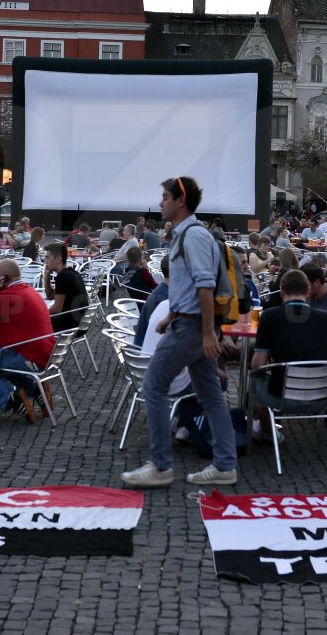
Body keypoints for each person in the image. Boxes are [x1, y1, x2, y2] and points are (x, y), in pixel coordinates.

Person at [121, 176, 237, 488]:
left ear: (180, 201)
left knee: (154, 386)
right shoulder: (187, 235)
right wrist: (170, 314)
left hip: (192, 327)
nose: (160, 203)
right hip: (190, 322)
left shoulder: (193, 236)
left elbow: (205, 284)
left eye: (164, 197)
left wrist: (209, 333)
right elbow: (188, 284)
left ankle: (160, 465)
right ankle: (225, 464)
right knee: (212, 396)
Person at [249, 268, 327, 441]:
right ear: (308, 291)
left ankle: (267, 432)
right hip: (320, 397)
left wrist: (270, 369)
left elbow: (257, 364)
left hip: (281, 397)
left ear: (281, 291)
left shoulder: (269, 317)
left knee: (253, 383)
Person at [0, 258, 56, 424]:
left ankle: (9, 398)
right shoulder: (28, 290)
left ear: (3, 278)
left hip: (27, 355)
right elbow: (16, 316)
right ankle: (34, 389)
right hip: (46, 352)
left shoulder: (4, 297)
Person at [43, 243, 88, 333]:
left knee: (32, 325)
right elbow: (50, 296)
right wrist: (46, 277)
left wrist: (40, 314)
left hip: (70, 325)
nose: (45, 261)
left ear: (58, 259)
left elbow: (56, 309)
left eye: (47, 258)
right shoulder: (71, 273)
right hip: (81, 323)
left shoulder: (63, 277)